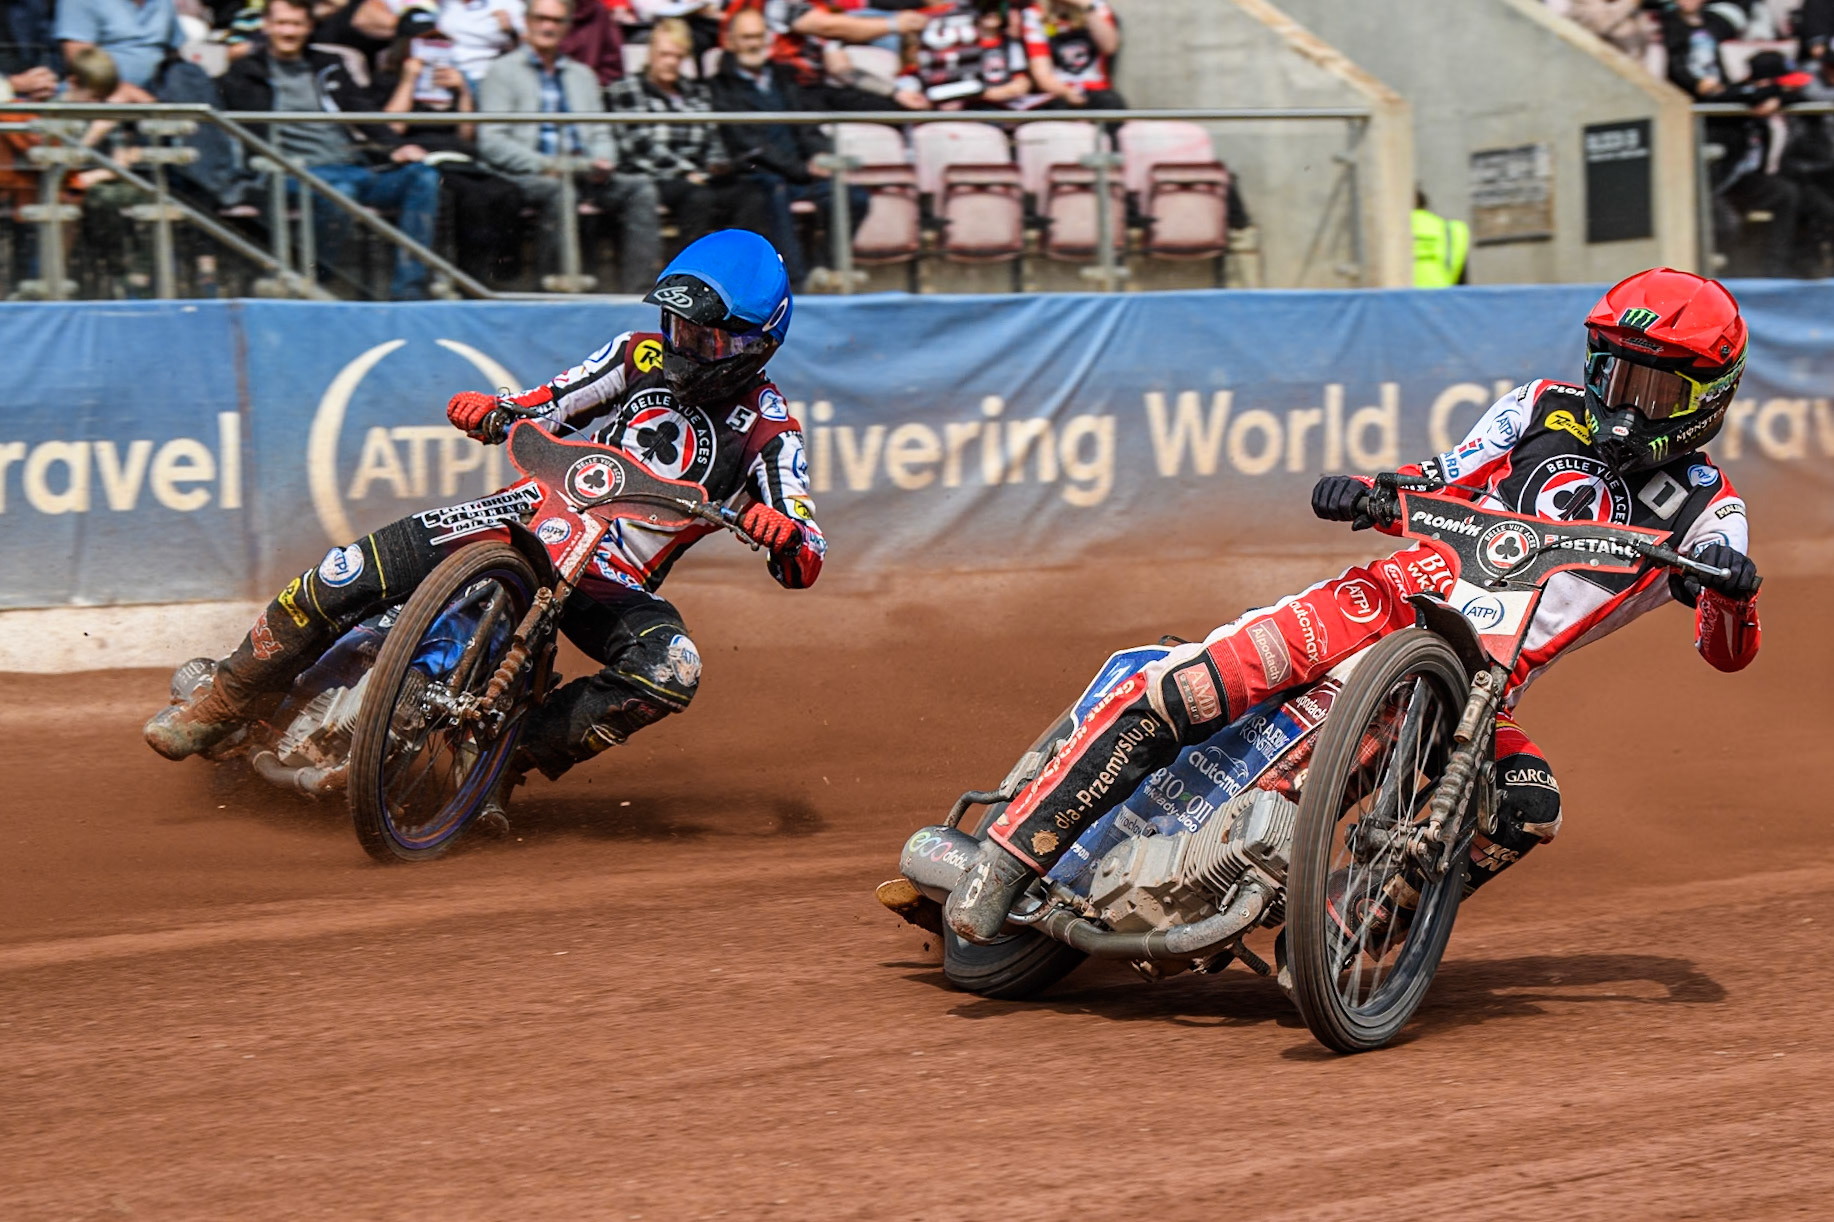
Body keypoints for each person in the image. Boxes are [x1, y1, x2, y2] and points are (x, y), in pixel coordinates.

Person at [944, 268, 1764, 944]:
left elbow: (1726, 651)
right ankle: (1008, 859)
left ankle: (1341, 934)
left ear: (1707, 395)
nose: (1624, 401)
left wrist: (1730, 587)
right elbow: (1438, 475)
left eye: (1653, 386)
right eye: (1615, 371)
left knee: (1526, 802)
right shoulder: (1540, 405)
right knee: (1197, 686)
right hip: (1382, 600)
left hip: (1473, 688)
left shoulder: (1710, 511)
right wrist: (1370, 490)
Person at [145, 228, 829, 784]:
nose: (680, 346)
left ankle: (504, 758)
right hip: (522, 516)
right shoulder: (637, 355)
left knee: (673, 667)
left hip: (606, 577)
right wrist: (494, 410)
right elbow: (547, 403)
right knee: (346, 569)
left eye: (701, 339)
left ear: (753, 344)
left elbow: (807, 552)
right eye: (675, 326)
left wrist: (784, 534)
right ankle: (225, 697)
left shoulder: (770, 428)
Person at [220, 0, 443, 299]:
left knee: (423, 177)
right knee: (342, 192)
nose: (289, 31)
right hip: (288, 172)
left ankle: (409, 291)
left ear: (309, 27)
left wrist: (397, 147)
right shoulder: (246, 72)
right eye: (282, 23)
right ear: (267, 26)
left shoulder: (328, 65)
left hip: (347, 166)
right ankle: (314, 282)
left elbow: (360, 111)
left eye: (297, 24)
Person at [477, 0, 661, 294]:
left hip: (583, 171)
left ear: (567, 27)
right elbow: (492, 141)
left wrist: (603, 162)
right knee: (559, 190)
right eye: (540, 18)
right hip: (530, 174)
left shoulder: (582, 76)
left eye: (556, 20)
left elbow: (601, 132)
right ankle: (551, 291)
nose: (547, 26)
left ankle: (638, 296)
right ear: (527, 21)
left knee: (639, 188)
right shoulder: (502, 71)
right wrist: (544, 164)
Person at [711, 5, 868, 289]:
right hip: (757, 174)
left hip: (799, 173)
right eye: (747, 37)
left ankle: (823, 268)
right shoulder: (720, 86)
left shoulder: (785, 77)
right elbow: (745, 142)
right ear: (731, 42)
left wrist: (821, 154)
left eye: (759, 36)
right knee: (773, 190)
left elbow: (806, 125)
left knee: (854, 197)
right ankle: (795, 280)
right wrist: (801, 167)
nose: (754, 43)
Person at [379, 10, 527, 286]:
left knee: (509, 192)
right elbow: (391, 127)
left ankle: (504, 276)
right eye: (423, 42)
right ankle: (471, 279)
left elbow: (468, 135)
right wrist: (410, 80)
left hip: (461, 160)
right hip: (424, 163)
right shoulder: (387, 81)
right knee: (473, 198)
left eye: (437, 42)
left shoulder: (453, 82)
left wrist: (464, 93)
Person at [604, 17, 751, 251]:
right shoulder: (626, 89)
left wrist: (717, 164)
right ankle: (690, 277)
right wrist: (688, 172)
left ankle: (741, 274)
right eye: (664, 54)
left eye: (678, 56)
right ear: (650, 54)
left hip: (699, 177)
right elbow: (640, 146)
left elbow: (712, 137)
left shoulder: (696, 91)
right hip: (655, 175)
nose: (671, 62)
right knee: (698, 198)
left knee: (750, 194)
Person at [722, 0, 929, 112]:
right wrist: (894, 24)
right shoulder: (774, 4)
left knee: (892, 107)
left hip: (814, 89)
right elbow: (823, 25)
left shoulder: (821, 7)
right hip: (780, 88)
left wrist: (895, 92)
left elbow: (841, 69)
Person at [892, 0, 1030, 111]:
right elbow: (910, 73)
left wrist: (987, 93)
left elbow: (1021, 81)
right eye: (987, 11)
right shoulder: (926, 27)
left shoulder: (1007, 44)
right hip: (938, 107)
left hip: (990, 107)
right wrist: (910, 92)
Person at [53, 0, 185, 90]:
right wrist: (126, 91)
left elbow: (174, 51)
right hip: (101, 95)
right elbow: (79, 59)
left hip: (160, 93)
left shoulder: (164, 3)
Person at [1018, 0, 1122, 111]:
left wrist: (1086, 7)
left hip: (1097, 89)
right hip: (1058, 92)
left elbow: (1109, 47)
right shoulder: (1034, 14)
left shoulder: (1097, 7)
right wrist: (1066, 92)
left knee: (1111, 105)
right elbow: (1042, 74)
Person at [1412, 188, 1469, 287]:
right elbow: (1461, 286)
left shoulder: (1385, 233)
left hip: (1391, 300)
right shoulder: (1451, 230)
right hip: (1441, 299)